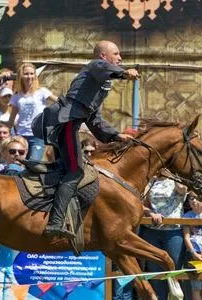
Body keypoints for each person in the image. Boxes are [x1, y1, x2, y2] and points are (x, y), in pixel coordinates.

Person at [30, 40, 139, 238]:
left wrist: (114, 135)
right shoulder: (95, 66)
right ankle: (55, 222)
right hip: (65, 123)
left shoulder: (98, 85)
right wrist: (124, 73)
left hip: (66, 123)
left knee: (67, 170)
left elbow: (93, 117)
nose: (120, 58)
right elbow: (105, 68)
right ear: (103, 56)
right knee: (75, 171)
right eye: (116, 53)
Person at [140, 175, 187, 300]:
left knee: (174, 272)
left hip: (173, 232)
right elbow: (141, 204)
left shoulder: (176, 179)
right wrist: (151, 214)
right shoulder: (151, 181)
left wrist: (174, 176)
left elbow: (183, 190)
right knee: (155, 274)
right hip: (152, 231)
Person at [8, 62, 57, 161]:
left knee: (33, 162)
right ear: (21, 76)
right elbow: (11, 119)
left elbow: (59, 102)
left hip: (37, 135)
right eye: (26, 74)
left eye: (31, 73)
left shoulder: (42, 92)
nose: (29, 76)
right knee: (19, 162)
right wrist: (10, 135)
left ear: (35, 75)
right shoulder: (17, 95)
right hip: (21, 135)